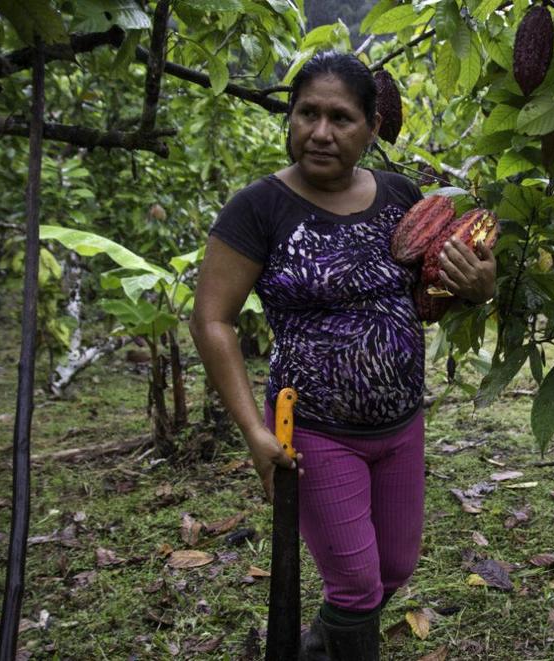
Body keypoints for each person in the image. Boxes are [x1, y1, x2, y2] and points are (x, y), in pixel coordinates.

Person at [189, 51, 496, 661]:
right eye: (307, 113)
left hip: (401, 423)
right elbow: (212, 319)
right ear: (290, 116)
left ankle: (316, 649)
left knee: (396, 567)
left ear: (372, 128)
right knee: (355, 586)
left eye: (341, 118)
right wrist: (253, 431)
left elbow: (431, 298)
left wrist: (478, 290)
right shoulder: (260, 208)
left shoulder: (402, 196)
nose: (320, 132)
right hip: (315, 431)